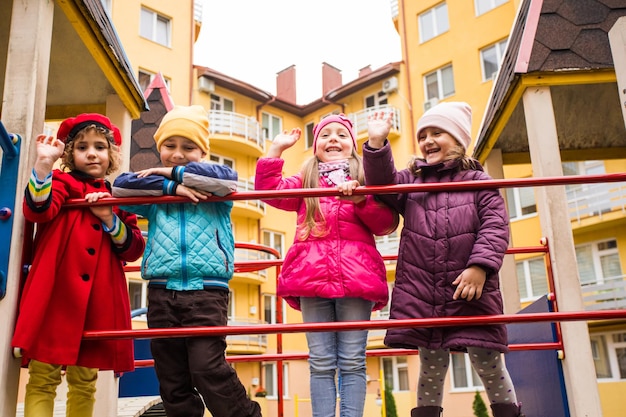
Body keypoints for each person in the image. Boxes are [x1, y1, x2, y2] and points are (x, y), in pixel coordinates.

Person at [362, 102, 524, 417]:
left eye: (438, 133)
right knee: (431, 366)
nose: (428, 141)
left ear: (458, 139)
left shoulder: (478, 182)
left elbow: (495, 227)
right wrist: (377, 143)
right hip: (425, 293)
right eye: (423, 135)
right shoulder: (413, 180)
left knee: (487, 361)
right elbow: (382, 185)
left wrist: (480, 268)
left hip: (471, 290)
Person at [112, 105, 261, 417]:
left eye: (188, 147)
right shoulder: (157, 194)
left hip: (206, 291)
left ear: (203, 151)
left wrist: (171, 174)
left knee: (207, 367)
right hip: (162, 291)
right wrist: (171, 187)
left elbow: (228, 180)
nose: (177, 154)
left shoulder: (214, 189)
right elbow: (120, 186)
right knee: (171, 377)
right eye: (170, 146)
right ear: (159, 147)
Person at [254, 114, 399, 417]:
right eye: (325, 135)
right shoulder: (307, 179)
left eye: (342, 134)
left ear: (353, 145)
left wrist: (361, 200)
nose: (333, 139)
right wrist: (275, 151)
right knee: (320, 361)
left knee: (352, 360)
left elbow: (386, 224)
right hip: (312, 277)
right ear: (316, 145)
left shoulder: (365, 176)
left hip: (356, 277)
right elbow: (269, 191)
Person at [12, 113, 145, 417]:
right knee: (43, 375)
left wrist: (109, 218)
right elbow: (38, 210)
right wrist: (44, 165)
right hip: (57, 294)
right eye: (82, 146)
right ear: (70, 153)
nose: (91, 153)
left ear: (111, 153)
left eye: (100, 146)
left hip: (97, 301)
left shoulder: (117, 195)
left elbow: (133, 248)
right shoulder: (61, 181)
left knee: (85, 379)